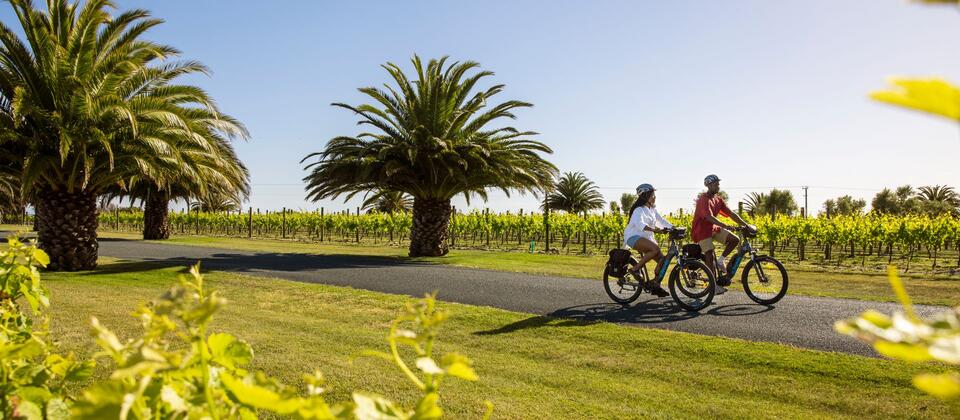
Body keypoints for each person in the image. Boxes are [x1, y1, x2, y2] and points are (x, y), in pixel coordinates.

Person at [692, 174, 748, 294]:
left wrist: (746, 225)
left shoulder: (718, 199)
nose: (718, 186)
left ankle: (721, 260)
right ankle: (713, 286)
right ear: (708, 185)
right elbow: (708, 217)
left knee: (734, 239)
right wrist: (724, 225)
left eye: (718, 184)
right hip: (702, 230)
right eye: (715, 184)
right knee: (709, 254)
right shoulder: (703, 199)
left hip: (713, 228)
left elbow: (731, 214)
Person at [623, 183, 672, 297]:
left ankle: (655, 284)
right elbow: (641, 225)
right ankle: (635, 269)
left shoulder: (652, 209)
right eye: (652, 195)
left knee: (663, 260)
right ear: (645, 196)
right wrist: (657, 230)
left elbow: (662, 221)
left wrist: (674, 228)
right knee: (655, 249)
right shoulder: (638, 210)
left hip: (646, 238)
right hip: (633, 237)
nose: (654, 197)